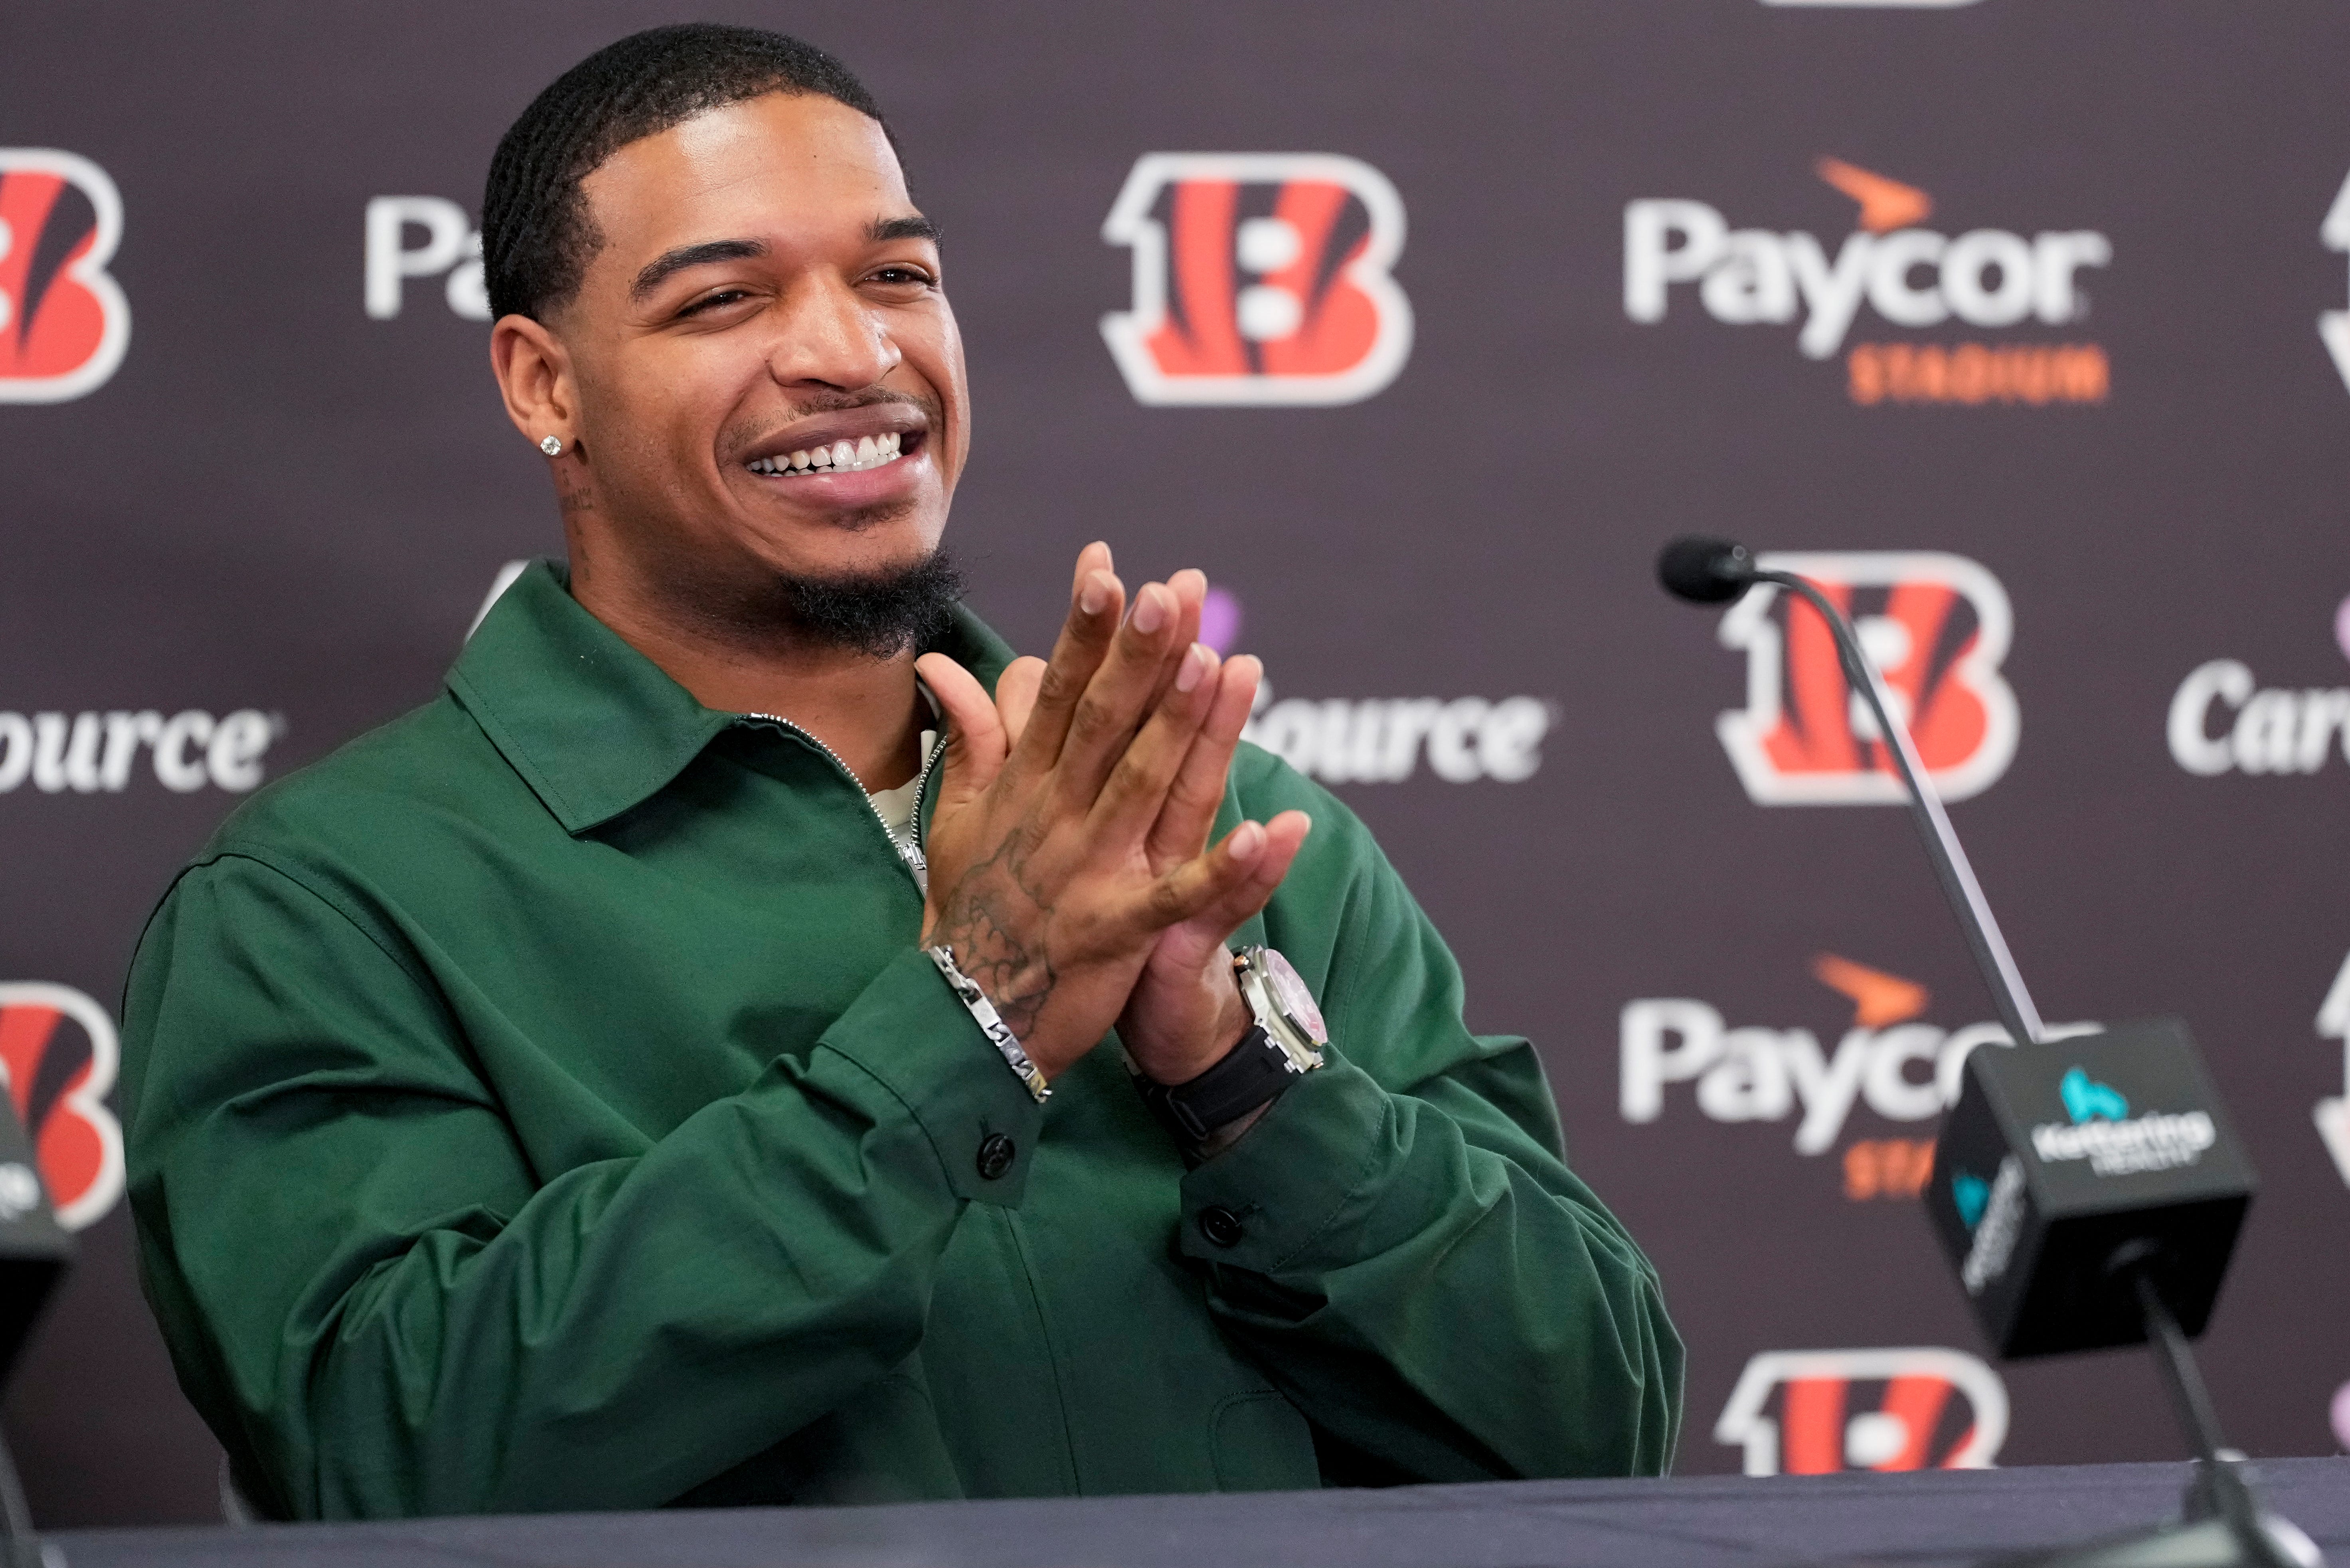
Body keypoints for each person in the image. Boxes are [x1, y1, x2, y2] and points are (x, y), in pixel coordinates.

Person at [121, 23, 1681, 1520]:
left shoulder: (1222, 830)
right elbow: (390, 1447)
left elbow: (1596, 1424)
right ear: (544, 385)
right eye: (724, 299)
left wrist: (1238, 1073)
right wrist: (973, 1012)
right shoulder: (326, 902)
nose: (853, 352)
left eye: (897, 277)